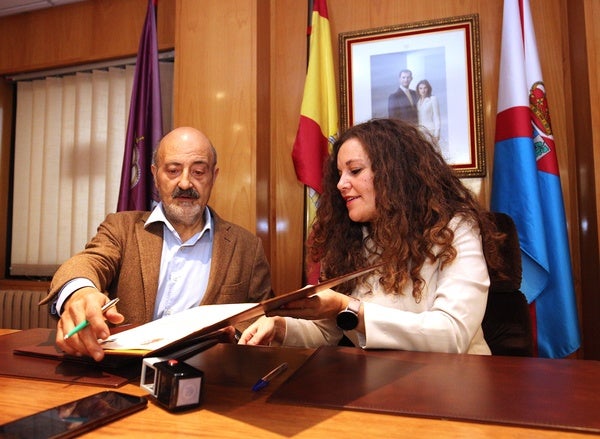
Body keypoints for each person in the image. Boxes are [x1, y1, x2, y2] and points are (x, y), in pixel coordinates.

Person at [239, 118, 507, 355]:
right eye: (339, 174)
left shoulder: (455, 228)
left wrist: (350, 309)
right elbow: (327, 333)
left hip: (456, 386)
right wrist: (280, 327)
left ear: (395, 174)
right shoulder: (348, 240)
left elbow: (452, 335)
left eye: (354, 171)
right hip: (378, 385)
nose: (341, 184)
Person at [40, 126, 272, 361]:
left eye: (199, 172)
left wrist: (235, 336)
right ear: (155, 175)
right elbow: (89, 261)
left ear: (214, 176)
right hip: (122, 376)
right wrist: (80, 292)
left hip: (208, 378)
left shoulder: (247, 248)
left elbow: (262, 318)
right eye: (173, 170)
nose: (184, 183)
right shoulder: (121, 229)